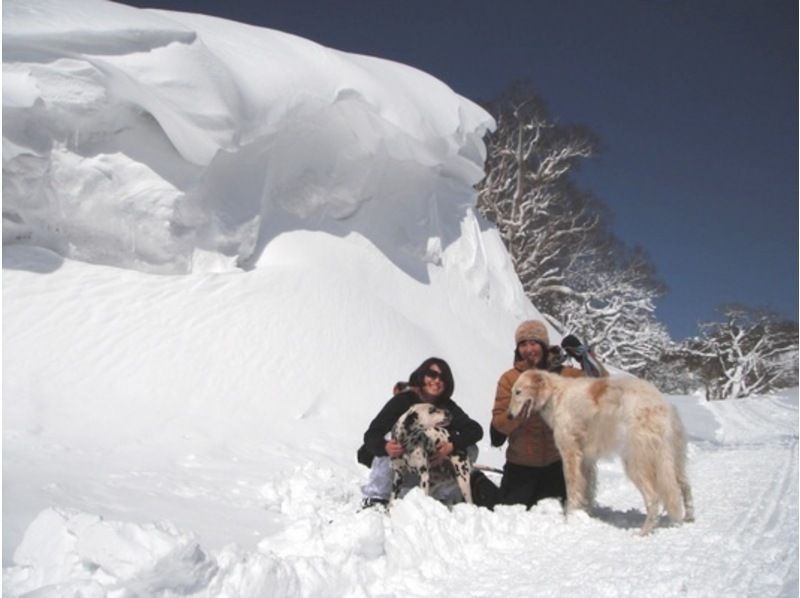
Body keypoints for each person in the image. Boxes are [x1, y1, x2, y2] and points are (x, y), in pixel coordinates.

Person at [490, 320, 607, 509]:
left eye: (534, 343)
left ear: (544, 346)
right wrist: (520, 412)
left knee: (557, 516)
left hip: (556, 465)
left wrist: (585, 358)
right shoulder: (509, 379)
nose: (528, 349)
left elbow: (600, 386)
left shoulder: (565, 374)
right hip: (521, 466)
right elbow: (499, 424)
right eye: (523, 344)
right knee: (510, 514)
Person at [360, 357, 483, 509]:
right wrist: (385, 447)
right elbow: (372, 434)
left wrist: (451, 446)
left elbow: (475, 430)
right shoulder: (402, 401)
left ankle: (441, 495)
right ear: (421, 376)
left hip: (431, 471)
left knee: (470, 448)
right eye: (432, 374)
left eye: (443, 377)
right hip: (403, 469)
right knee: (390, 437)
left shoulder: (447, 407)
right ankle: (377, 498)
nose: (437, 380)